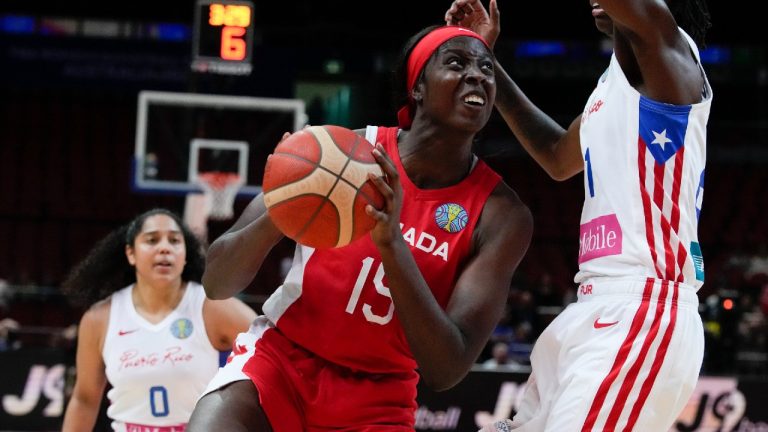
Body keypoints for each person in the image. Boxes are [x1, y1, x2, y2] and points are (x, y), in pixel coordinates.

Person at [187, 24, 533, 431]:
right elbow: (216, 283)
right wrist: (287, 206)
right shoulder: (339, 150)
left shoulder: (501, 214)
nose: (477, 75)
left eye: (487, 68)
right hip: (282, 361)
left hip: (378, 397)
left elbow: (447, 368)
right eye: (456, 63)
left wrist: (392, 244)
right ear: (417, 88)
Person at [446, 0, 713, 430]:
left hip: (642, 310)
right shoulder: (613, 87)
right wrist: (488, 61)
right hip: (592, 307)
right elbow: (556, 158)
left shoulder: (670, 50)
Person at [61, 208, 256, 432]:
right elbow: (84, 400)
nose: (164, 248)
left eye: (174, 241)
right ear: (131, 254)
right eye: (152, 240)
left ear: (185, 255)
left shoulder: (211, 306)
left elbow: (270, 348)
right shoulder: (100, 318)